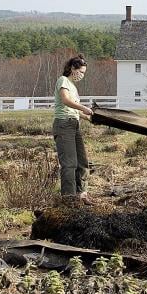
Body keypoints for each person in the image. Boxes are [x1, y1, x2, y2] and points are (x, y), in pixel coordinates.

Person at [53, 54, 94, 198]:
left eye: (84, 73)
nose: (82, 75)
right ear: (72, 68)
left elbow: (75, 110)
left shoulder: (74, 88)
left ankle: (81, 193)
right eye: (81, 71)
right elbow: (65, 100)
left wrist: (88, 117)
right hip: (64, 124)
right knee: (69, 164)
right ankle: (69, 198)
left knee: (82, 161)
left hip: (74, 124)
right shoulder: (63, 80)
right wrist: (83, 107)